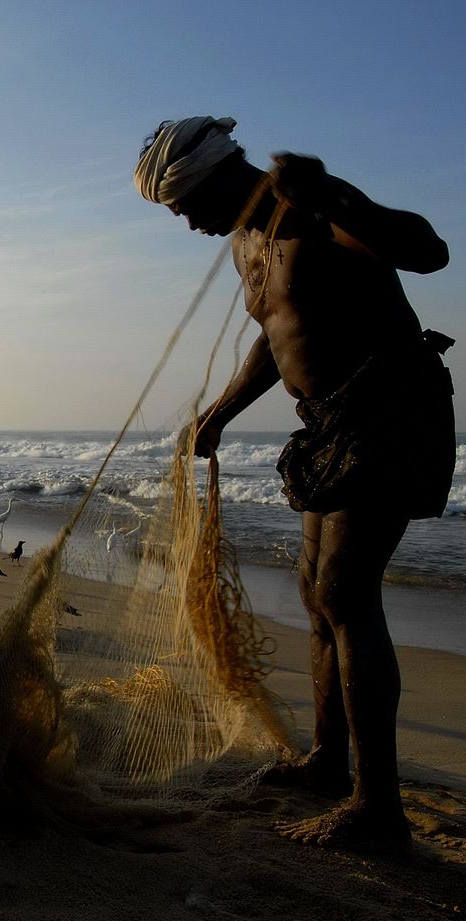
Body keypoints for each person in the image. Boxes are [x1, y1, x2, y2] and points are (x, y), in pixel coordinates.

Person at [134, 115, 456, 849]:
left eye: (186, 208)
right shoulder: (247, 241)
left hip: (391, 406)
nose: (188, 227)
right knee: (317, 592)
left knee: (345, 590)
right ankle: (329, 762)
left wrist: (338, 196)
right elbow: (279, 333)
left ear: (217, 174)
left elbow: (428, 250)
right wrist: (217, 412)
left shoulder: (309, 213)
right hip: (329, 423)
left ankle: (380, 809)